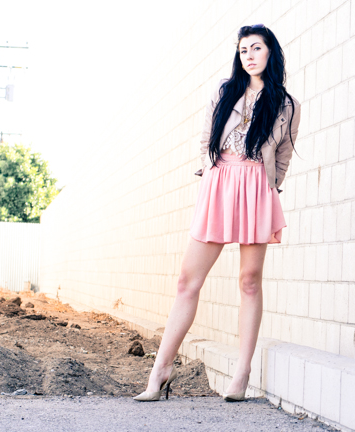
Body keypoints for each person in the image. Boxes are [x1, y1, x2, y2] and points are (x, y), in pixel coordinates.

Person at [133, 23, 301, 402]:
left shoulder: (287, 105)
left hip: (256, 187)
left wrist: (269, 188)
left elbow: (284, 154)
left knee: (249, 281)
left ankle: (242, 373)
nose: (249, 56)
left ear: (270, 53)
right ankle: (161, 368)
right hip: (220, 182)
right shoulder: (225, 91)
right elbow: (207, 139)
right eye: (244, 50)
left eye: (256, 48)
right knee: (187, 281)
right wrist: (211, 176)